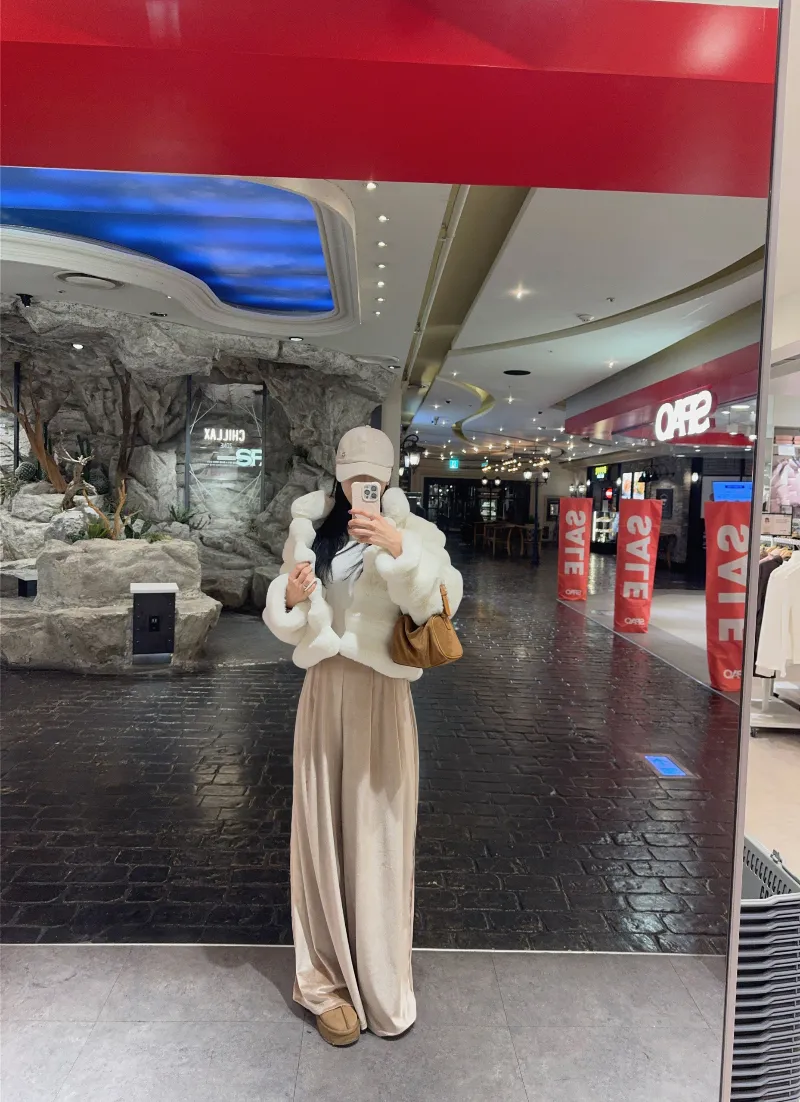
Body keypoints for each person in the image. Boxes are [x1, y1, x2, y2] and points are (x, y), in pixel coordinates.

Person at [262, 426, 463, 1047]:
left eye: (373, 477)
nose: (361, 487)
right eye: (353, 476)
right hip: (324, 691)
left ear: (390, 476)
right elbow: (286, 619)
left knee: (380, 832)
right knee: (321, 833)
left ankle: (379, 978)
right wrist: (292, 597)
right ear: (339, 474)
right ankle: (324, 981)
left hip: (383, 697)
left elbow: (438, 608)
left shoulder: (417, 533)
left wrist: (400, 552)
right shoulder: (310, 531)